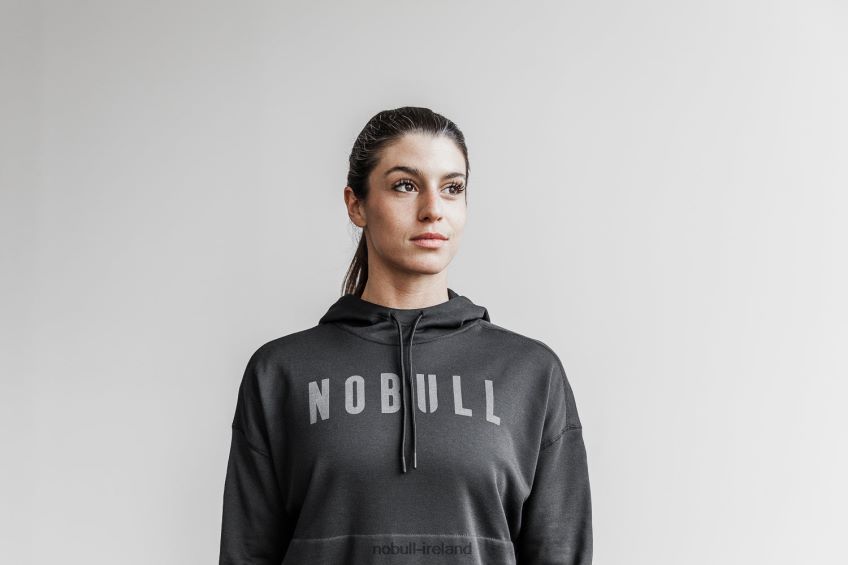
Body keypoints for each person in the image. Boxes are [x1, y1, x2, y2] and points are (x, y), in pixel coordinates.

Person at [218, 106, 593, 564]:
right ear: (356, 205)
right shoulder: (281, 372)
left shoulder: (530, 372)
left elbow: (560, 552)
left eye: (452, 188)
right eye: (405, 186)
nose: (433, 210)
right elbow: (247, 553)